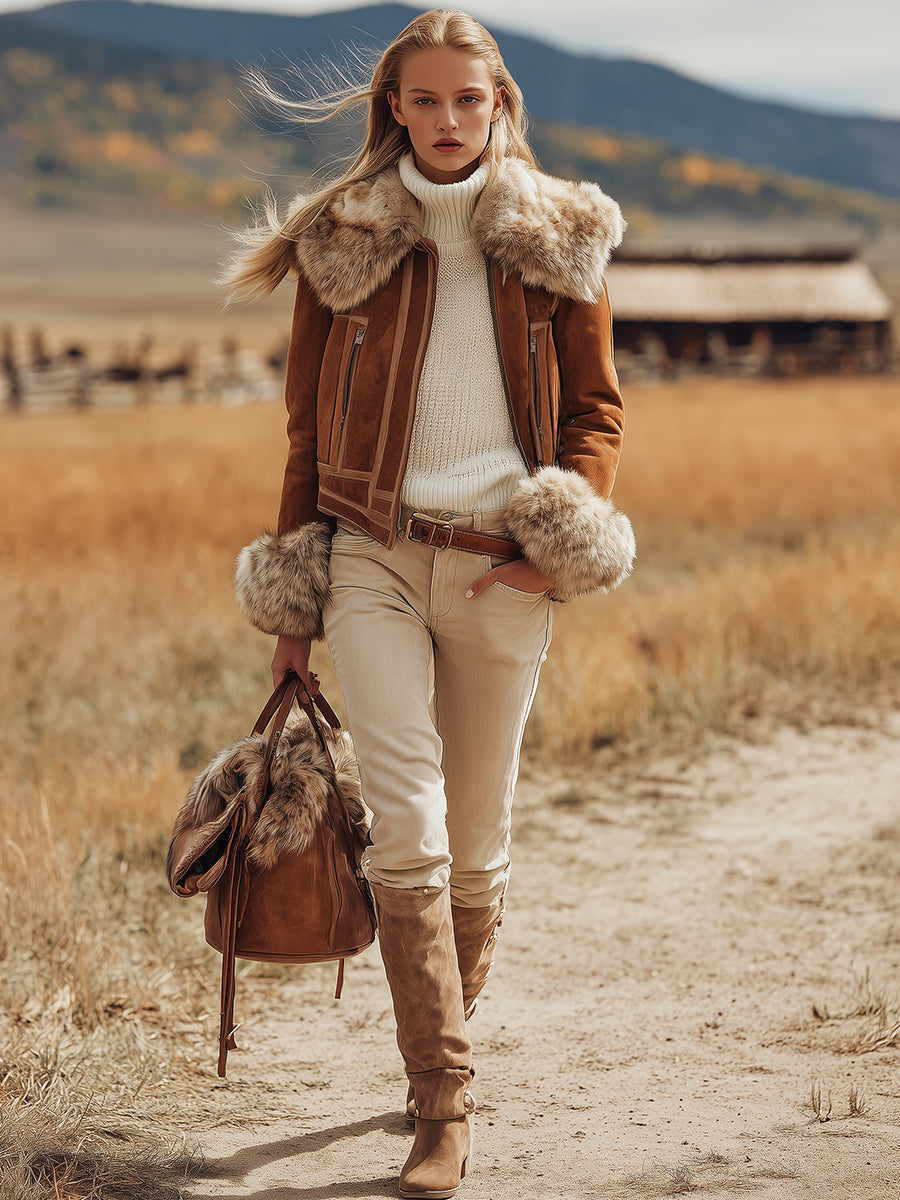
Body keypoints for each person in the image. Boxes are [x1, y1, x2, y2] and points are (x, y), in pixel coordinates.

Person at [225, 9, 634, 1197]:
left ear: (498, 102)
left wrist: (556, 544)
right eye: (426, 101)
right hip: (372, 561)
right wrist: (294, 607)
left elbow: (597, 413)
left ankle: (434, 1060)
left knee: (477, 839)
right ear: (392, 111)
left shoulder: (560, 235)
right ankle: (441, 1103)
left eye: (470, 99)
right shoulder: (343, 242)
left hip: (504, 565)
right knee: (408, 822)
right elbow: (306, 431)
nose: (449, 121)